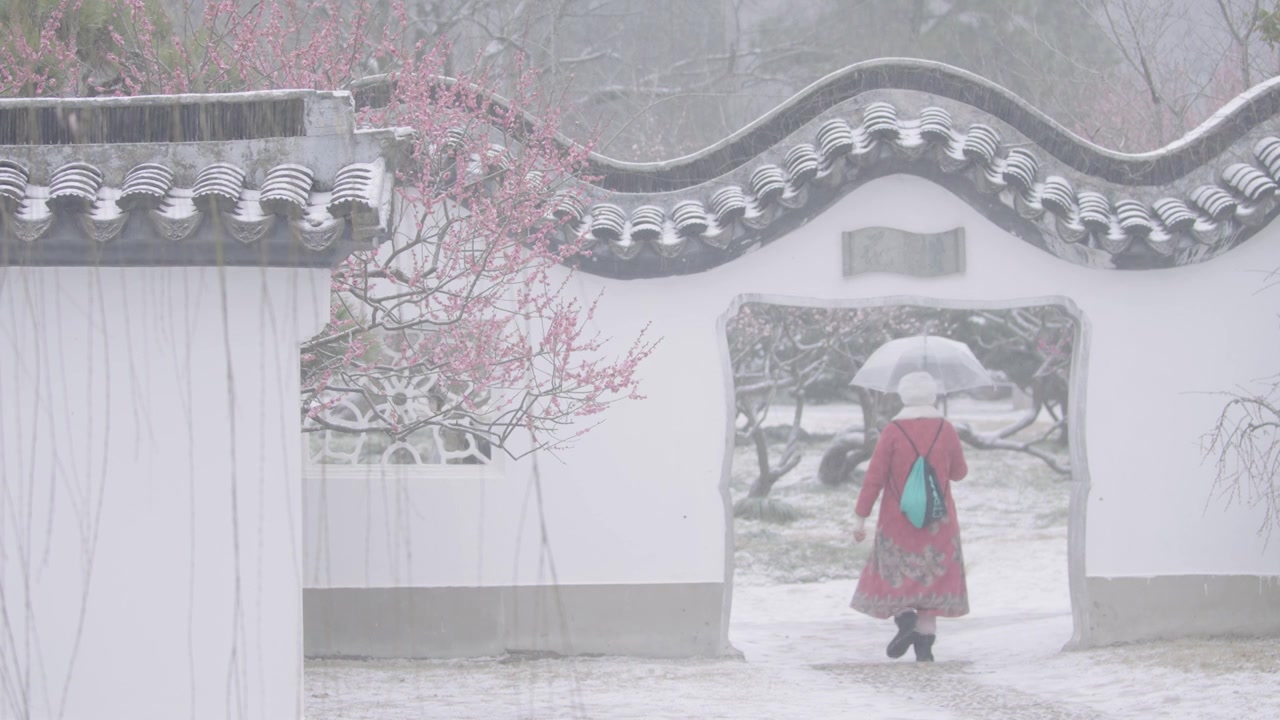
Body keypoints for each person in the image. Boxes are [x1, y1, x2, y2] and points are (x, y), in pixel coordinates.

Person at [850, 371, 969, 662]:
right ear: (931, 396)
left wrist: (860, 518)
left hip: (896, 520)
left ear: (903, 396)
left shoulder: (892, 431)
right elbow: (960, 472)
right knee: (932, 578)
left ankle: (904, 619)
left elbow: (874, 477)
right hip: (937, 520)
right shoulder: (946, 428)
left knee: (897, 573)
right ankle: (925, 644)